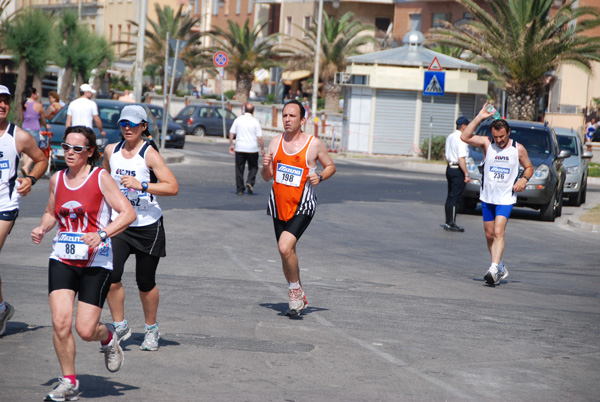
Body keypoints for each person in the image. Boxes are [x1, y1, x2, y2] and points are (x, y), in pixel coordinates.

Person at [31, 126, 136, 401]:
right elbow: (51, 212)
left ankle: (108, 338)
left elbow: (128, 213)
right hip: (62, 259)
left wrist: (101, 234)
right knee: (60, 323)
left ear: (90, 152)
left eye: (77, 148)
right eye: (66, 147)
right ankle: (68, 382)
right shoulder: (56, 179)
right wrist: (43, 228)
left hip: (96, 262)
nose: (70, 153)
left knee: (85, 330)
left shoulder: (100, 178)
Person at [103, 105, 179, 351]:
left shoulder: (149, 154)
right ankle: (120, 324)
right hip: (121, 222)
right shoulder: (111, 151)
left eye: (133, 124)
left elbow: (172, 187)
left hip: (147, 225)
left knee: (145, 282)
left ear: (143, 127)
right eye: (124, 123)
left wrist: (142, 185)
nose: (127, 128)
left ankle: (151, 329)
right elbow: (102, 181)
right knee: (111, 276)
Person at [261, 99, 336, 316]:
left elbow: (330, 166)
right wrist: (265, 166)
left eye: (292, 116)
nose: (287, 119)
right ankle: (299, 291)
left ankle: (294, 291)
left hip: (302, 205)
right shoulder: (275, 142)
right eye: (285, 115)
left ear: (302, 120)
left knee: (285, 247)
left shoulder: (313, 144)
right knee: (286, 253)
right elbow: (267, 177)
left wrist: (320, 177)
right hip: (278, 205)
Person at [460, 103, 533, 286]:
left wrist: (524, 179)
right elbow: (464, 136)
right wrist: (480, 117)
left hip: (506, 198)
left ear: (508, 133)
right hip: (487, 197)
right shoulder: (487, 144)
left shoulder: (518, 149)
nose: (499, 140)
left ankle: (492, 269)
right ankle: (499, 266)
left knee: (499, 231)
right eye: (495, 137)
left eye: (502, 137)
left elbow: (529, 167)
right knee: (489, 235)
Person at [0, 85, 48, 336]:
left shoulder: (19, 136)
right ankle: (1, 308)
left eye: (5, 100)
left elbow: (42, 160)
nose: (1, 104)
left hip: (5, 206)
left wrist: (30, 179)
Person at [443, 116, 471, 232]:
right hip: (457, 169)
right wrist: (466, 174)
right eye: (468, 126)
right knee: (455, 197)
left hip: (450, 167)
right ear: (463, 126)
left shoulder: (450, 136)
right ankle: (451, 222)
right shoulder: (461, 138)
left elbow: (446, 155)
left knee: (450, 195)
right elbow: (461, 158)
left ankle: (447, 221)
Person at [229, 103, 264, 195]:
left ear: (244, 110)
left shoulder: (238, 120)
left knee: (239, 168)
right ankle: (250, 181)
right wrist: (262, 148)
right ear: (253, 111)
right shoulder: (255, 121)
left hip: (240, 147)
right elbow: (259, 138)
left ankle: (240, 189)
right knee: (254, 167)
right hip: (252, 148)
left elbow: (231, 133)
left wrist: (231, 144)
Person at [20, 87, 49, 176]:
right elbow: (43, 118)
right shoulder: (38, 105)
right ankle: (26, 166)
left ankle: (26, 169)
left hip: (24, 128)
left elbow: (22, 118)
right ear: (33, 94)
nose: (38, 95)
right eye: (37, 93)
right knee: (36, 149)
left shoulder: (23, 104)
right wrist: (45, 126)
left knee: (26, 151)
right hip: (34, 130)